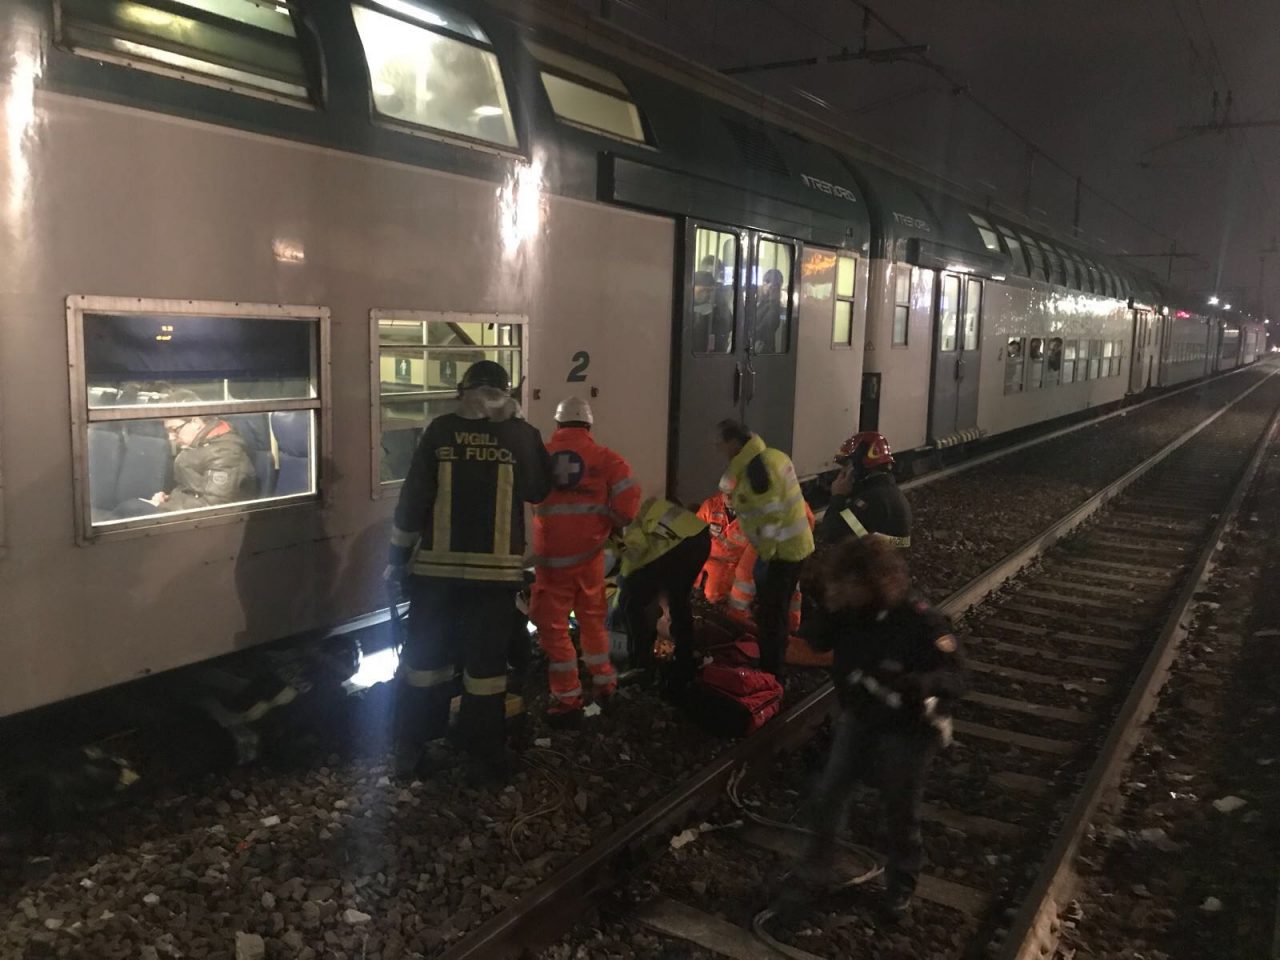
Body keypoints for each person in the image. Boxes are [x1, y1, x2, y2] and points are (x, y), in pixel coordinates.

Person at [386, 360, 553, 785]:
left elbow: (412, 501)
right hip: (493, 580)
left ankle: (413, 751)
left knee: (425, 664)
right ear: (506, 391)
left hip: (435, 577)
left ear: (463, 390)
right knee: (485, 672)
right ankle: (483, 758)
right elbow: (539, 489)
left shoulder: (439, 430)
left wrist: (395, 560)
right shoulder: (521, 435)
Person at [799, 536, 965, 916]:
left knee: (898, 806)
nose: (843, 591)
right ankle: (814, 870)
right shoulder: (847, 612)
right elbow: (815, 641)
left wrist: (921, 685)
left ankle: (902, 882)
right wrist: (824, 604)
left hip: (909, 727)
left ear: (871, 583)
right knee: (830, 792)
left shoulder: (919, 620)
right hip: (861, 716)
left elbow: (956, 677)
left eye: (848, 585)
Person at [529, 397, 641, 727]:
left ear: (558, 424)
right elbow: (628, 505)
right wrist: (607, 519)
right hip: (590, 560)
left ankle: (568, 698)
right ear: (588, 426)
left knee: (553, 628)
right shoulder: (607, 459)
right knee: (593, 621)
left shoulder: (541, 456)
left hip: (551, 564)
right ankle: (604, 683)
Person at [714, 419, 814, 677]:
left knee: (772, 615)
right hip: (795, 545)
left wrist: (765, 557)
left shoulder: (756, 472)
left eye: (721, 443)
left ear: (734, 443)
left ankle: (772, 671)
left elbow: (771, 518)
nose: (719, 448)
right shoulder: (774, 456)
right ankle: (776, 660)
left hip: (781, 552)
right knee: (777, 610)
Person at [614, 497, 711, 696]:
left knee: (631, 603)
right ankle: (685, 657)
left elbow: (636, 554)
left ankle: (640, 663)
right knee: (678, 599)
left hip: (677, 549)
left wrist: (623, 587)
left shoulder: (635, 520)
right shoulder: (655, 506)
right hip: (701, 539)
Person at [151, 390, 257, 511]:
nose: (171, 438)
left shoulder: (225, 454)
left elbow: (213, 507)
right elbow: (191, 490)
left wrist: (165, 506)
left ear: (196, 422)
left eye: (175, 430)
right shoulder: (199, 445)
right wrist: (169, 499)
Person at [816, 432, 911, 549]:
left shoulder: (872, 500)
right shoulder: (886, 493)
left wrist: (838, 496)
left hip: (872, 564)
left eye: (847, 464)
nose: (844, 470)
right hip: (884, 563)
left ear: (859, 466)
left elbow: (831, 533)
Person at [696, 491, 747, 603]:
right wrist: (705, 534)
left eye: (732, 493)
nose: (728, 496)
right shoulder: (711, 506)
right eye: (725, 492)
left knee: (712, 594)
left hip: (730, 564)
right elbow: (693, 532)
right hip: (705, 557)